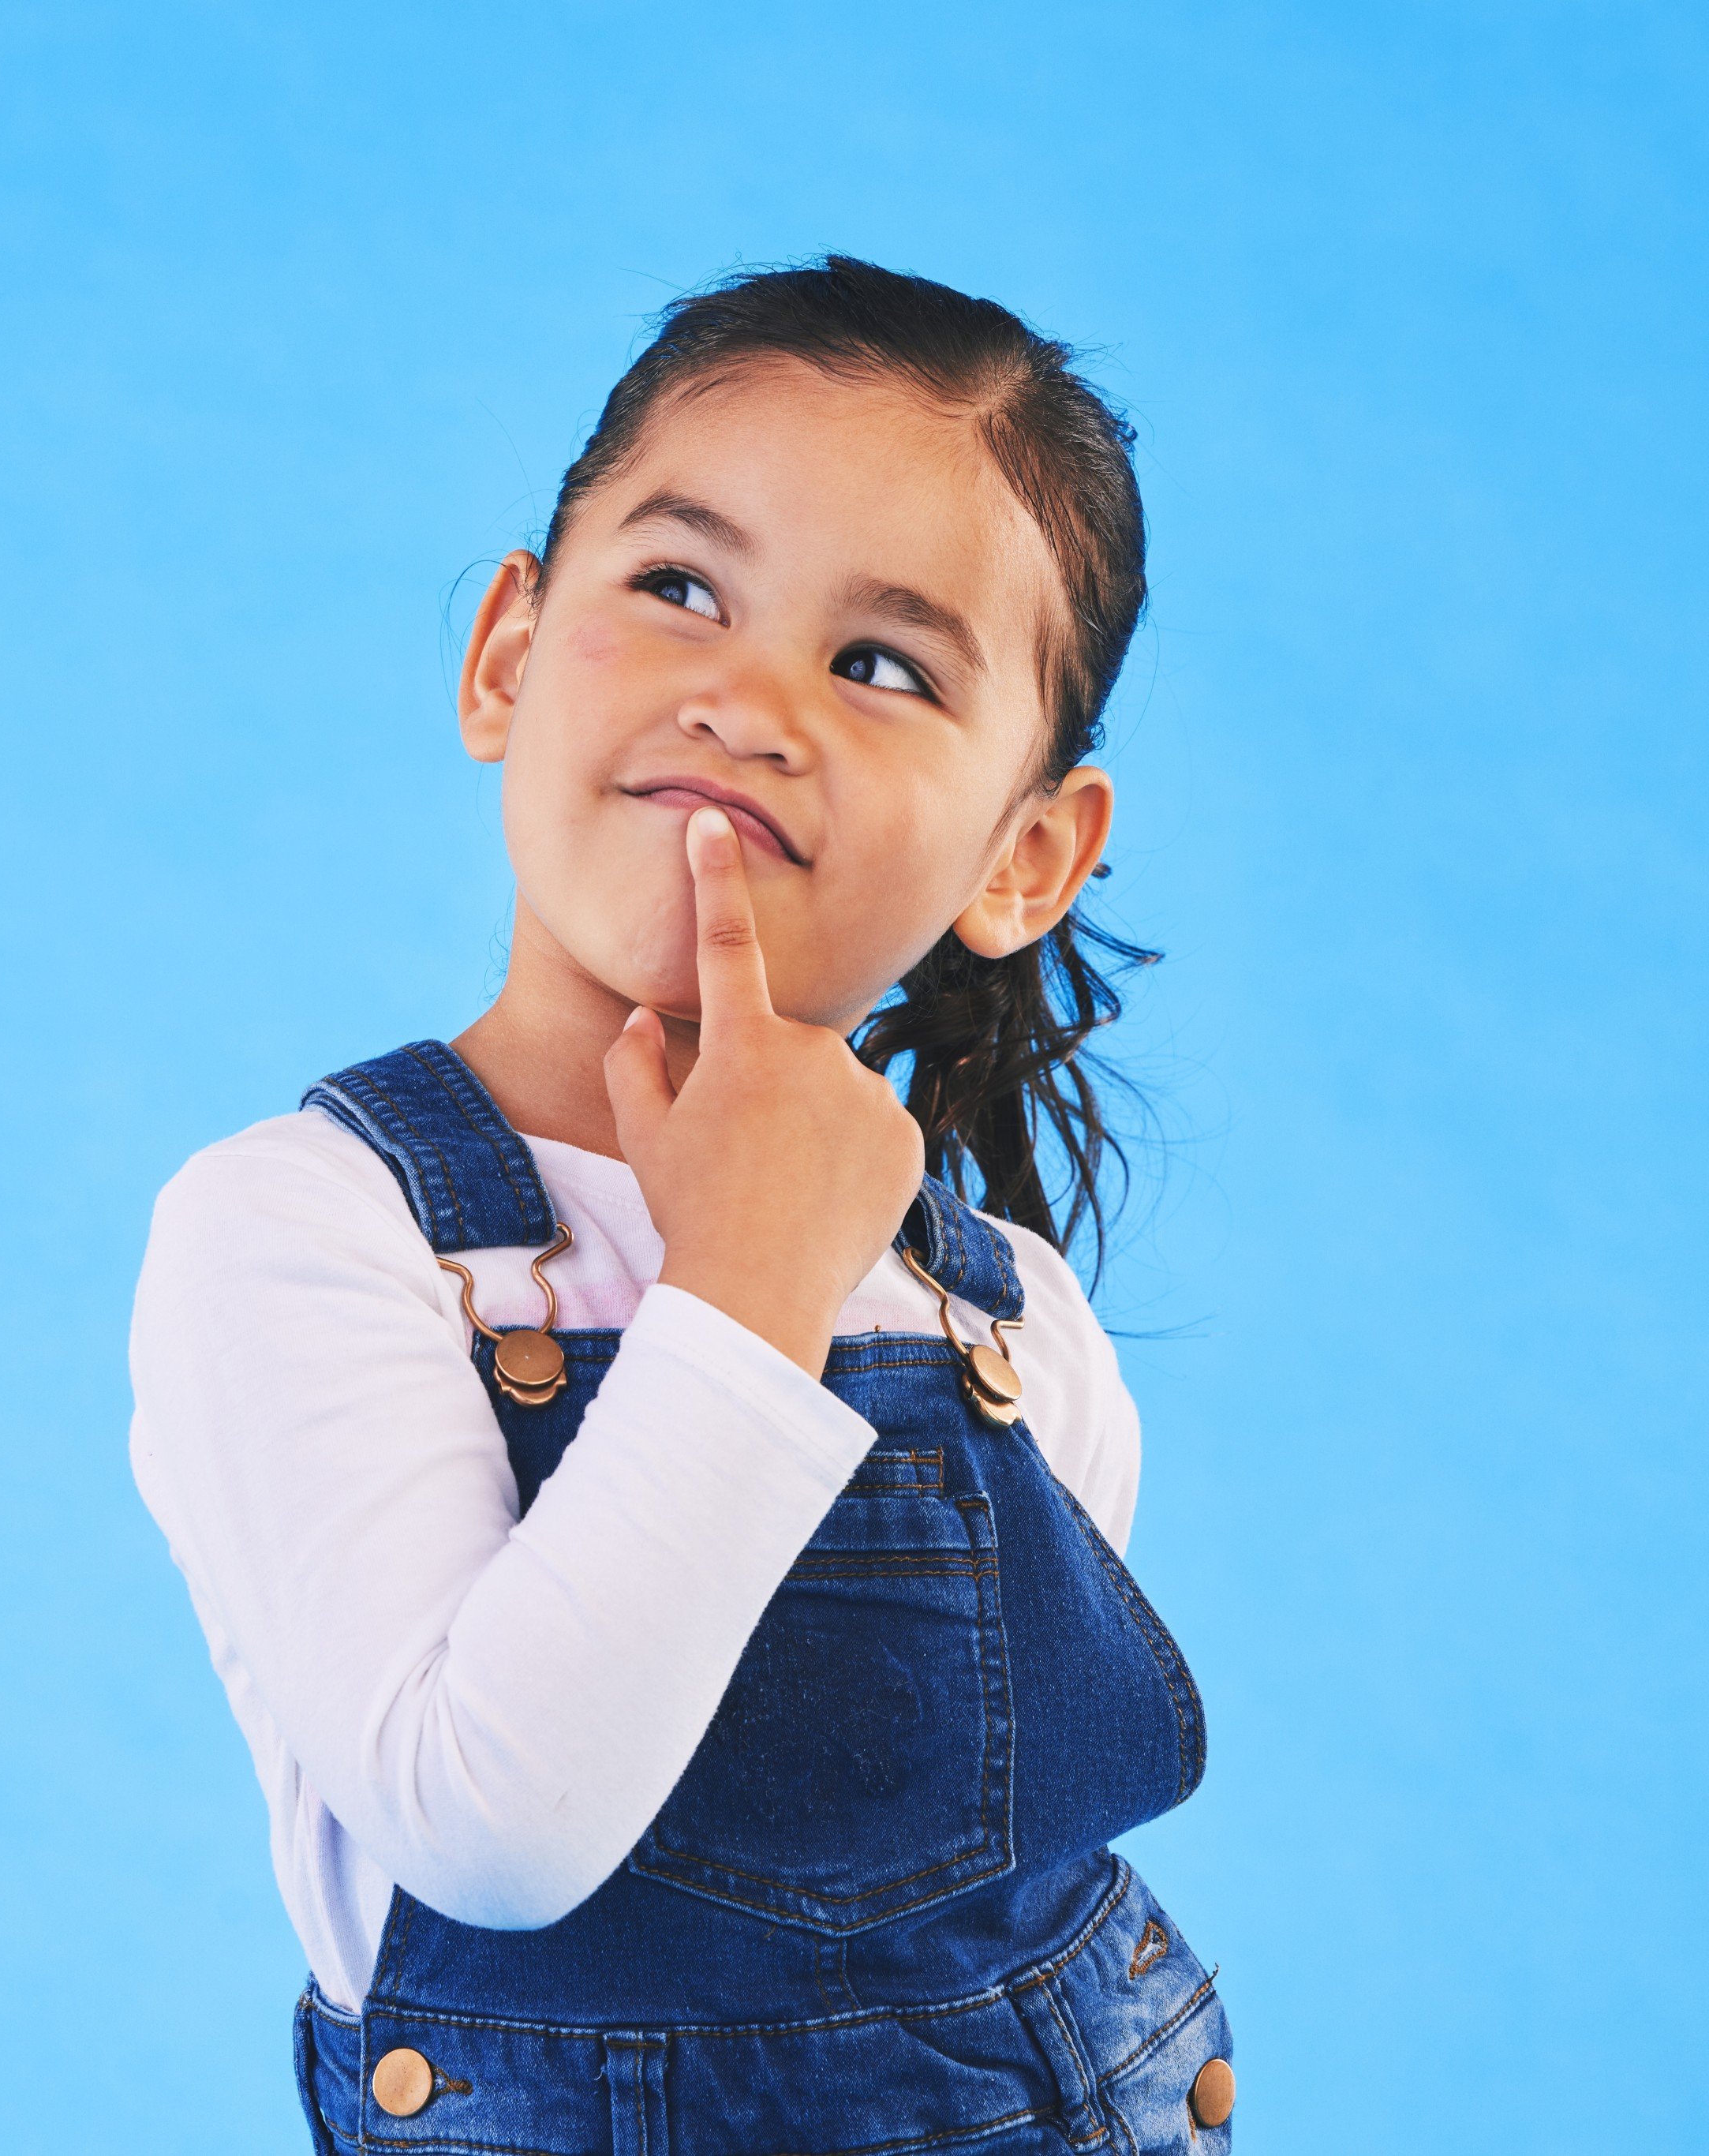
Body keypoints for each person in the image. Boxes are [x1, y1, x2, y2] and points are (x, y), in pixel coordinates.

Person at [129, 258, 1233, 2154]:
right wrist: (741, 1288)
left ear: (1024, 855)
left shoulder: (1004, 1324)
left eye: (879, 665)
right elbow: (492, 1823)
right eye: (678, 588)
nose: (746, 698)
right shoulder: (317, 1233)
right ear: (503, 656)